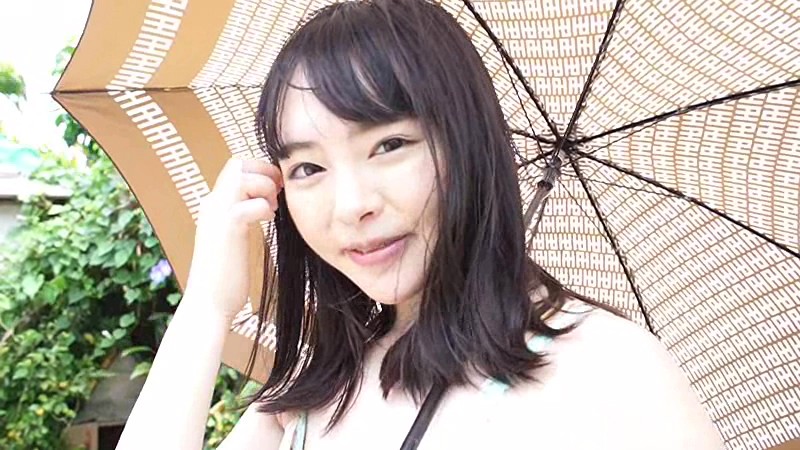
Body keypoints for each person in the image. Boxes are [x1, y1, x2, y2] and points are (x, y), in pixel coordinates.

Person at [116, 1, 725, 449]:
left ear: (468, 143)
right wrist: (207, 307)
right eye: (307, 168)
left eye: (390, 145)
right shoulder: (309, 403)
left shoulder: (609, 374)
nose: (350, 205)